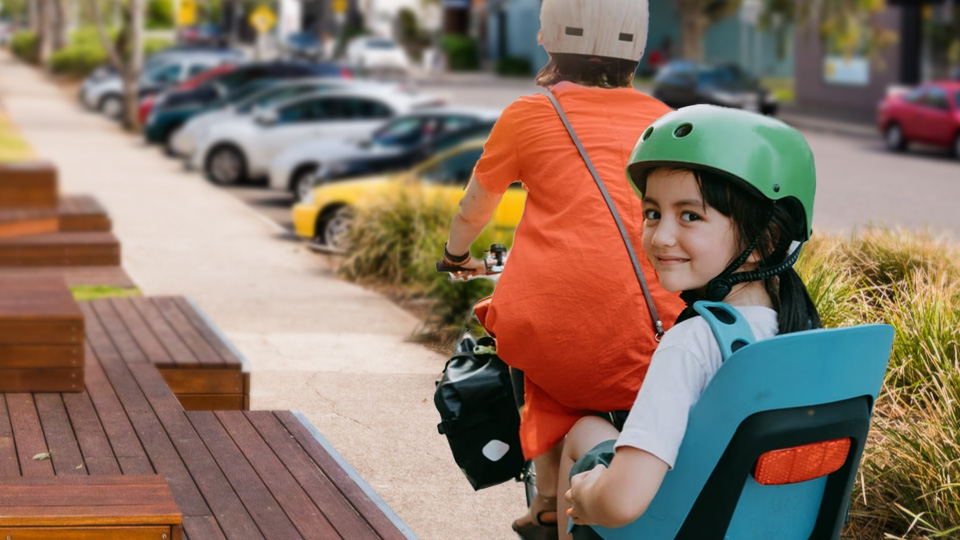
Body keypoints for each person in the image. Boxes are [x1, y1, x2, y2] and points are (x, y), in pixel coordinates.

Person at [440, 1, 684, 538]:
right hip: (663, 326)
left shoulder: (529, 113)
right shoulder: (666, 118)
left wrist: (455, 255)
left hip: (561, 330)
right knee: (572, 347)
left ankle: (548, 502)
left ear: (549, 39)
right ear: (636, 49)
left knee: (544, 354)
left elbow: (474, 207)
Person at [559, 105, 822, 539]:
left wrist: (586, 497)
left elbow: (623, 503)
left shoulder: (693, 343)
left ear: (766, 240)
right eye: (652, 213)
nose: (660, 237)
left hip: (676, 526)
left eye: (690, 215)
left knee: (584, 433)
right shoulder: (801, 331)